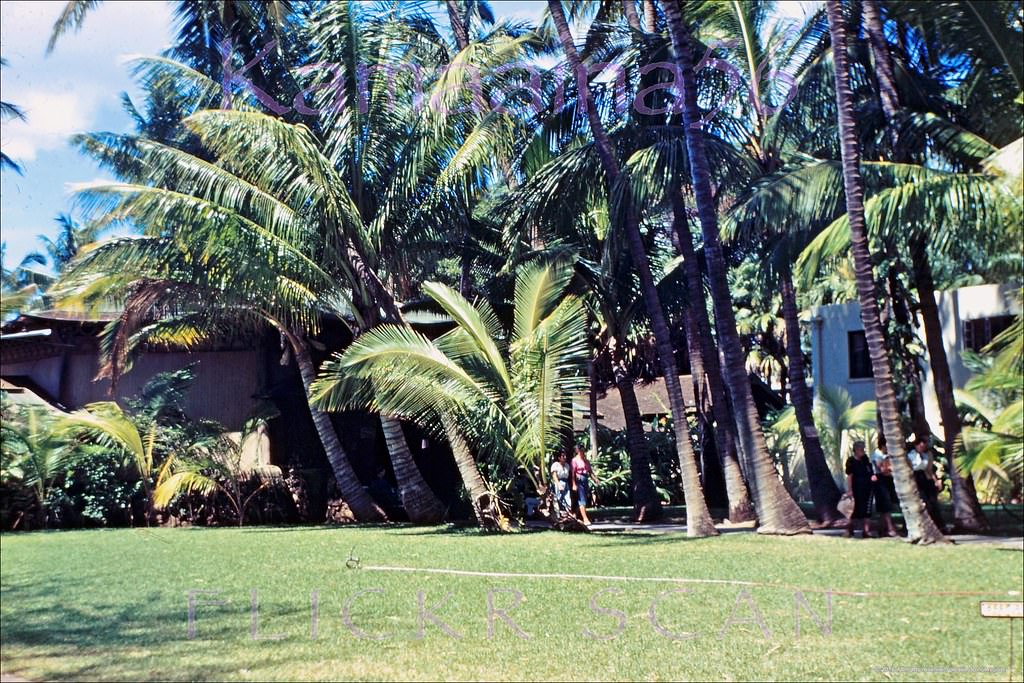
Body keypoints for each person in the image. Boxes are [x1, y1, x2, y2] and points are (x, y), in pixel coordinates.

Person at [909, 437, 944, 529]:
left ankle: (938, 525)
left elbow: (929, 469)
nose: (922, 447)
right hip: (915, 476)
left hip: (925, 477)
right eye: (920, 445)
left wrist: (935, 481)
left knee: (933, 502)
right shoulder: (911, 455)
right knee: (923, 501)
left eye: (923, 446)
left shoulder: (926, 455)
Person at [844, 440, 875, 538]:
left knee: (867, 510)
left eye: (863, 449)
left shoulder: (865, 459)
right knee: (853, 510)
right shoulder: (851, 461)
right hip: (856, 489)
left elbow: (870, 471)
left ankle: (866, 531)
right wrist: (850, 490)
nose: (862, 451)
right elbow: (850, 476)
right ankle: (849, 530)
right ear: (856, 450)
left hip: (867, 489)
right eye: (860, 449)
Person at [870, 440, 900, 537]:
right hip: (880, 480)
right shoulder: (877, 455)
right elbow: (882, 469)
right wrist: (891, 469)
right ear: (883, 446)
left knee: (888, 503)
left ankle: (881, 528)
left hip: (887, 480)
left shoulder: (887, 455)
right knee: (885, 503)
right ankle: (890, 527)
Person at [571, 445, 600, 526]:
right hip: (579, 480)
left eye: (584, 451)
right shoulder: (575, 460)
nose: (583, 453)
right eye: (581, 451)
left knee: (583, 499)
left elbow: (590, 472)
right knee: (582, 500)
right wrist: (574, 484)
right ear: (578, 451)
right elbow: (573, 473)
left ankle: (575, 516)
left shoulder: (586, 461)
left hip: (585, 479)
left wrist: (595, 479)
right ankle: (585, 518)